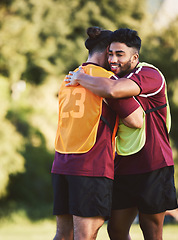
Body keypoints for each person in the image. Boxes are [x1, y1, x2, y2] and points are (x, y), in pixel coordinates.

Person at [65, 28, 178, 240]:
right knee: (116, 230)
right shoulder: (112, 77)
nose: (113, 59)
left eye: (120, 54)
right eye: (110, 53)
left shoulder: (149, 75)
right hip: (123, 166)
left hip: (153, 165)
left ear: (134, 57)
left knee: (151, 231)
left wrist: (80, 77)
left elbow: (113, 91)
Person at [52, 27, 143, 240]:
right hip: (90, 168)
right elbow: (136, 120)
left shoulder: (69, 79)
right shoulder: (106, 81)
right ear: (106, 52)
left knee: (63, 235)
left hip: (61, 165)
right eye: (113, 54)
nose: (114, 60)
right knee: (86, 236)